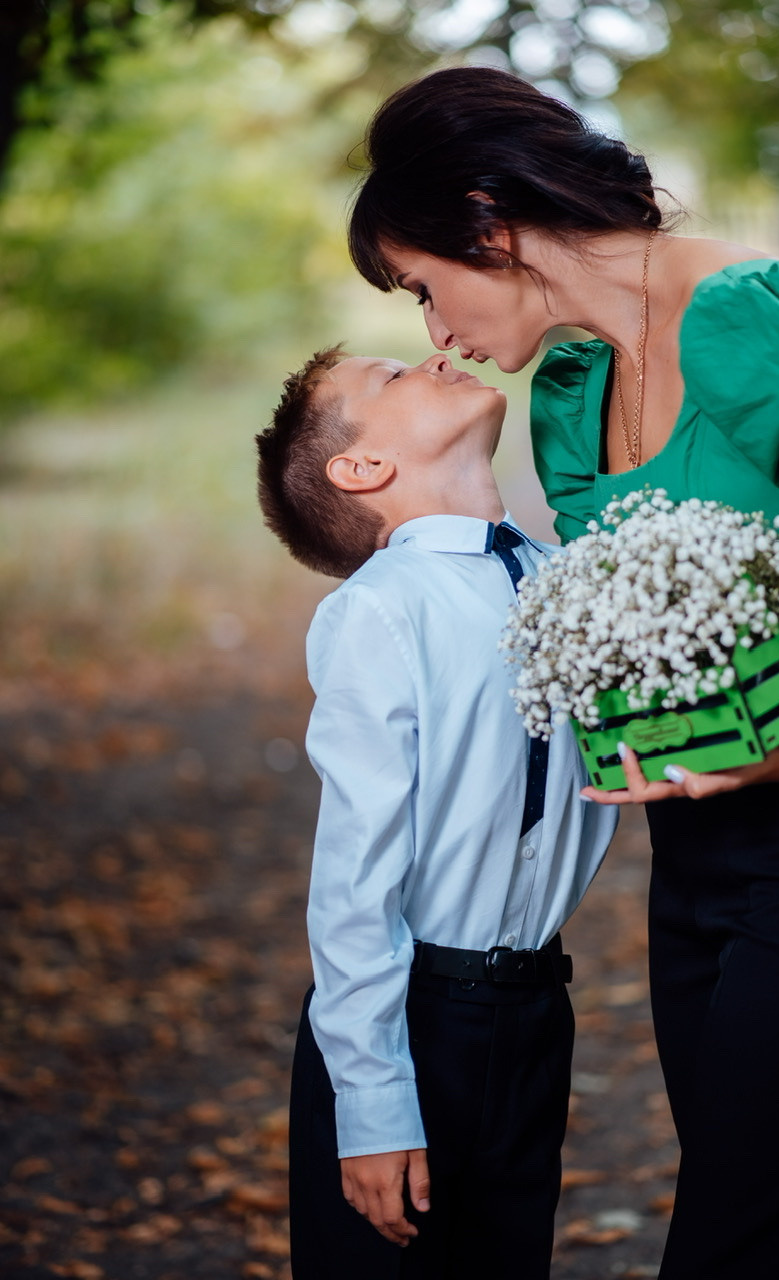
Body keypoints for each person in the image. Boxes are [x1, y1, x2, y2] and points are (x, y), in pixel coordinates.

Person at [346, 66, 779, 1280]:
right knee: (765, 1201)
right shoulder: (568, 399)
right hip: (694, 861)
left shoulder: (754, 315)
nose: (435, 328)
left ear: (489, 222)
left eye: (426, 284)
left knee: (742, 1225)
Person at [255, 345, 617, 1279]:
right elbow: (354, 880)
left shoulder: (565, 574)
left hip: (535, 1008)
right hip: (409, 1021)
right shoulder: (383, 609)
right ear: (363, 468)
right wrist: (370, 1103)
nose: (431, 353)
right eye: (389, 376)